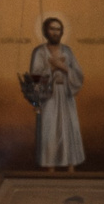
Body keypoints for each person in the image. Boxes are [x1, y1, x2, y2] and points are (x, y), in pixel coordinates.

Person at [23, 16, 85, 169]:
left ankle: (70, 166)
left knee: (68, 129)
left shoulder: (67, 51)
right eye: (52, 29)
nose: (55, 32)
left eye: (58, 29)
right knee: (50, 130)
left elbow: (78, 74)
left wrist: (63, 68)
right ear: (46, 31)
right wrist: (52, 68)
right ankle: (50, 167)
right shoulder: (39, 52)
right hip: (48, 97)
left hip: (66, 95)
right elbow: (35, 76)